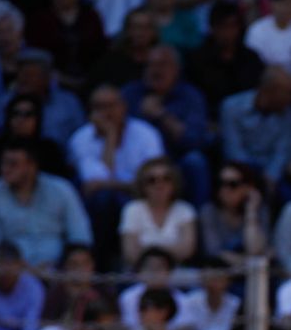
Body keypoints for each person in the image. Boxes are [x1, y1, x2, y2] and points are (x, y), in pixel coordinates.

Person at [69, 84, 166, 267]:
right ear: (90, 111)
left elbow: (152, 180)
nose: (106, 113)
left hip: (140, 198)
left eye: (111, 106)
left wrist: (115, 185)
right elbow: (94, 183)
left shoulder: (146, 134)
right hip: (99, 205)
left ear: (123, 106)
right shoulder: (80, 139)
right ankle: (102, 263)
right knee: (105, 198)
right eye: (99, 107)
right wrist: (110, 138)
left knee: (117, 199)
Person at [0, 139, 94, 268]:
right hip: (12, 275)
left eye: (13, 164)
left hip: (59, 272)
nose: (5, 169)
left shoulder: (62, 190)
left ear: (32, 166)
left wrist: (62, 265)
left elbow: (81, 237)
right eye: (3, 163)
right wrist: (21, 268)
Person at [122, 44, 212, 204]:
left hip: (176, 161)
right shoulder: (130, 94)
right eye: (151, 65)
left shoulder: (190, 96)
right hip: (137, 162)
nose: (156, 70)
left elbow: (195, 140)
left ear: (176, 69)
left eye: (163, 64)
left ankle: (197, 221)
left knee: (195, 161)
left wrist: (162, 115)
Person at [220, 67, 291, 200]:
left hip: (270, 172)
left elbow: (282, 152)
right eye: (289, 93)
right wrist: (250, 178)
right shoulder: (231, 107)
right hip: (239, 169)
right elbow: (233, 150)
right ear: (271, 91)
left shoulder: (288, 114)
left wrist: (271, 176)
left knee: (290, 198)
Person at [26, 0, 109, 90]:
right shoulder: (39, 19)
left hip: (91, 81)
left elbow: (101, 51)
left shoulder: (91, 17)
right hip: (51, 83)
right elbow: (37, 55)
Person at [120, 156, 198, 268]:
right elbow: (130, 253)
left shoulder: (185, 209)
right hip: (141, 273)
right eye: (152, 180)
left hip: (177, 273)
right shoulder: (132, 209)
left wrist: (149, 251)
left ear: (174, 183)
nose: (159, 184)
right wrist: (169, 250)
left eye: (166, 178)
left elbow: (187, 250)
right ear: (143, 185)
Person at [186, 1, 266, 111]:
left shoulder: (251, 58)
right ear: (212, 28)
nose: (227, 33)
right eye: (222, 27)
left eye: (232, 26)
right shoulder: (196, 60)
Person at [200, 162, 269, 269]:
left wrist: (251, 212)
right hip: (220, 272)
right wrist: (244, 262)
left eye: (233, 184)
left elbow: (255, 250)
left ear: (248, 188)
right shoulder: (209, 212)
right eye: (221, 183)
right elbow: (214, 251)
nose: (225, 189)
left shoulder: (259, 211)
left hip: (251, 274)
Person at [178, 257, 240, 330]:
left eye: (218, 278)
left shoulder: (236, 304)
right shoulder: (190, 301)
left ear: (228, 281)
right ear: (202, 279)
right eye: (211, 278)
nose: (214, 283)